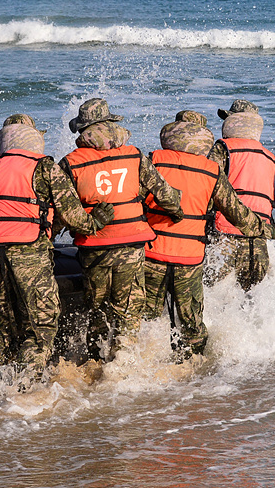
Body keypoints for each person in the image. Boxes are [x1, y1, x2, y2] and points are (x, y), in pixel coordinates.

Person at [0, 114, 114, 373]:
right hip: (28, 251)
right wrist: (96, 223)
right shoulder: (45, 167)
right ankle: (27, 387)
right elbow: (73, 216)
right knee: (41, 324)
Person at [143, 111, 275, 360]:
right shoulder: (213, 170)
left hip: (152, 254)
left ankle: (147, 371)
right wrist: (268, 231)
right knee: (195, 326)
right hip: (193, 257)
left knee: (149, 318)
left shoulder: (150, 161)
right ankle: (195, 372)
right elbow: (238, 213)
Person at [59, 98, 184, 361]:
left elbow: (62, 212)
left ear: (83, 131)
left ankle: (95, 364)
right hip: (131, 246)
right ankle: (122, 368)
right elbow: (167, 197)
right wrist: (178, 211)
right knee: (128, 313)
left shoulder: (70, 163)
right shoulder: (134, 155)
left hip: (94, 248)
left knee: (98, 311)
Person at [207, 99, 275, 291]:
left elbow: (208, 184)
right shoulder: (269, 157)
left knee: (209, 293)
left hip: (224, 235)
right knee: (250, 302)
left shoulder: (223, 148)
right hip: (258, 240)